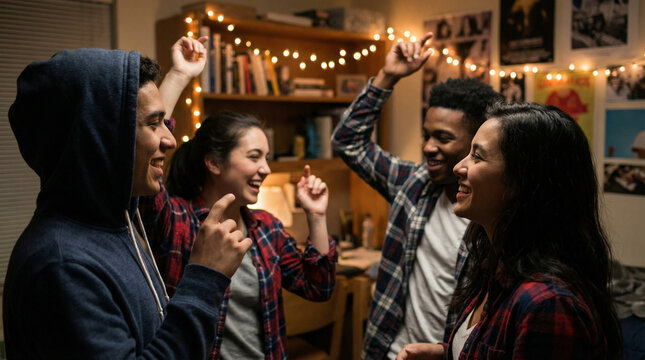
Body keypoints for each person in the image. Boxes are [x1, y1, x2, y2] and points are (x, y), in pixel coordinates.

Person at [3, 37, 252, 358]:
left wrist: (178, 76)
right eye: (154, 124)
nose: (171, 140)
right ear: (102, 140)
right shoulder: (63, 266)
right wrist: (205, 278)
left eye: (164, 122)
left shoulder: (114, 221)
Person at [396, 103, 622, 359]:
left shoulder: (547, 305)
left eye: (477, 156)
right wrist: (444, 353)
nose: (459, 167)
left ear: (523, 180)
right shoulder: (496, 267)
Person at [331, 33, 502, 359]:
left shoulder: (493, 215)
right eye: (426, 135)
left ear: (475, 144)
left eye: (443, 138)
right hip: (390, 351)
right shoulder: (413, 184)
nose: (427, 147)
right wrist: (388, 76)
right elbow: (347, 140)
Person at [139, 110, 338, 359]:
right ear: (214, 162)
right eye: (254, 157)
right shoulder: (178, 218)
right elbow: (143, 172)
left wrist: (316, 216)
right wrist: (179, 77)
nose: (265, 168)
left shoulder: (267, 228)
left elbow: (318, 287)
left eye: (266, 158)